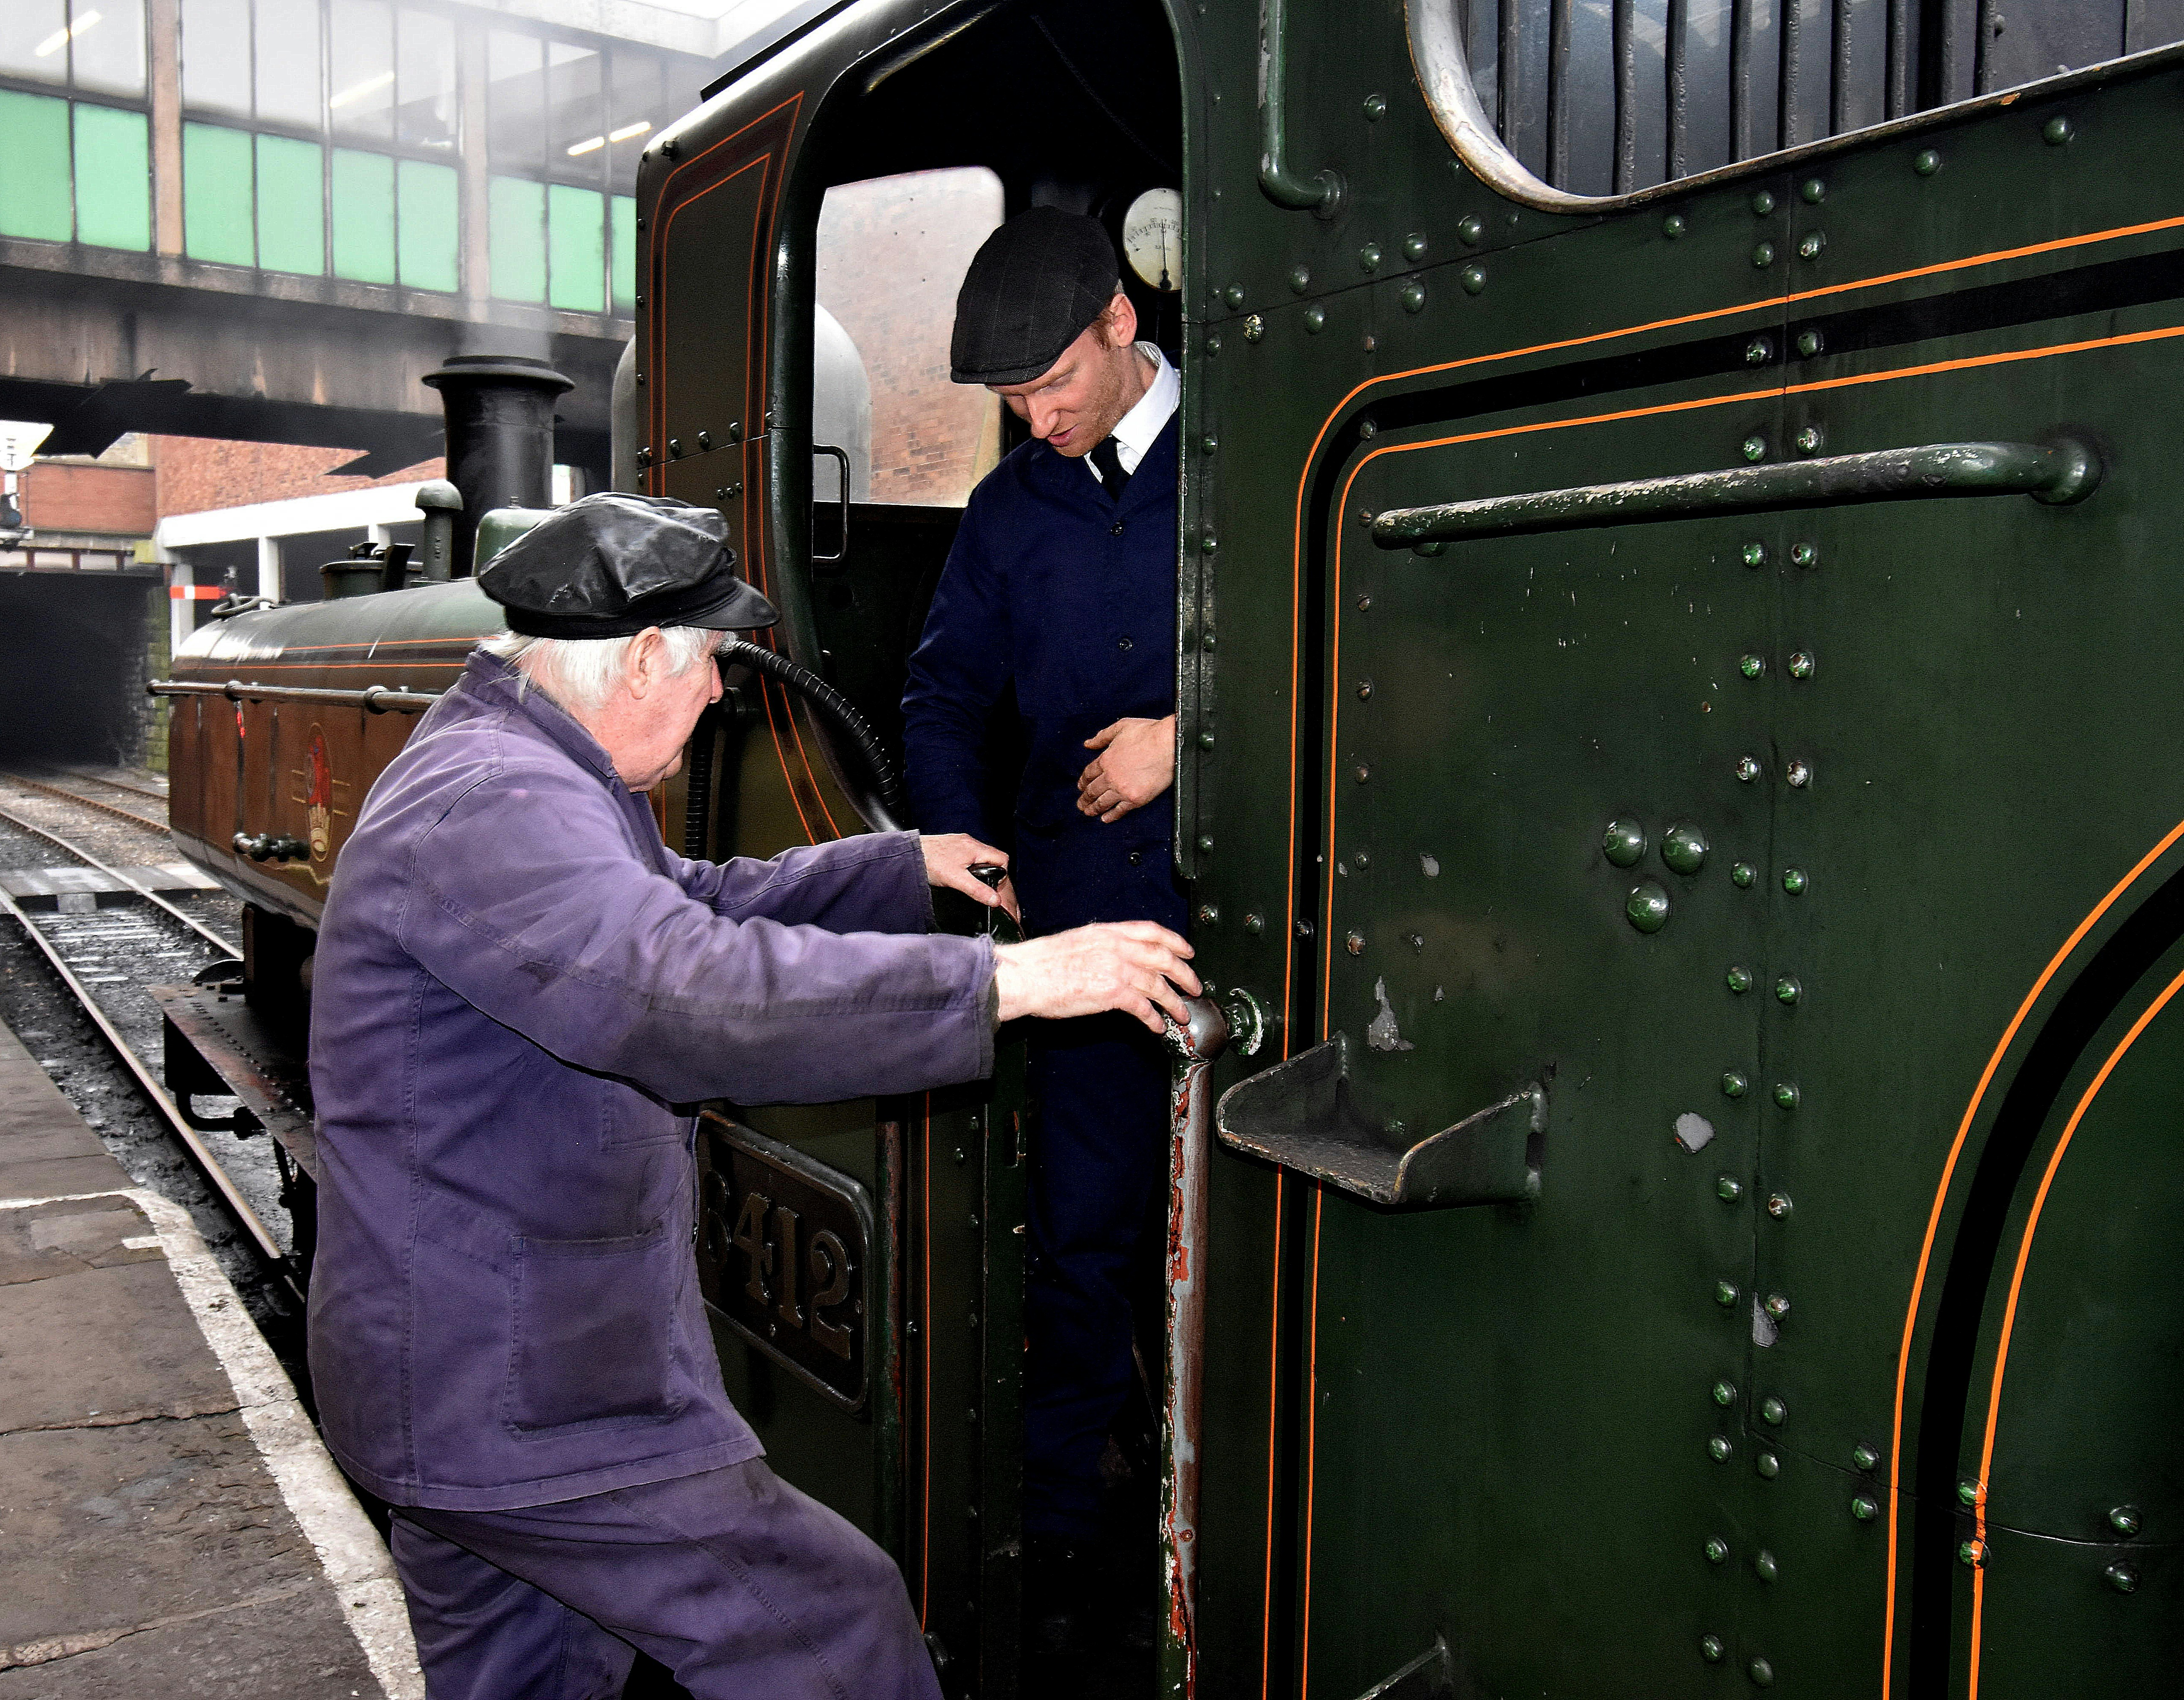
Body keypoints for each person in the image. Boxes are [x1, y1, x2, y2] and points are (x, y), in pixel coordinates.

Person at [306, 491, 1197, 1700]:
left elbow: (684, 903)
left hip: (476, 1382)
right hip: (537, 1401)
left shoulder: (526, 761)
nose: (722, 693)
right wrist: (1005, 982)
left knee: (526, 1676)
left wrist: (889, 863)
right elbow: (672, 990)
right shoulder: (496, 804)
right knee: (832, 1629)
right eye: (713, 663)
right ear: (640, 658)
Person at [900, 207, 1184, 1651]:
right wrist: (957, 845)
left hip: (1262, 913)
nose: (1036, 417)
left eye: (1051, 384)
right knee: (1083, 1232)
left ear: (1121, 326)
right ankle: (1073, 1534)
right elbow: (944, 695)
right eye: (1011, 401)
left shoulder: (1255, 455)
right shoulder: (1011, 511)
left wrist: (1186, 740)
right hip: (1078, 926)